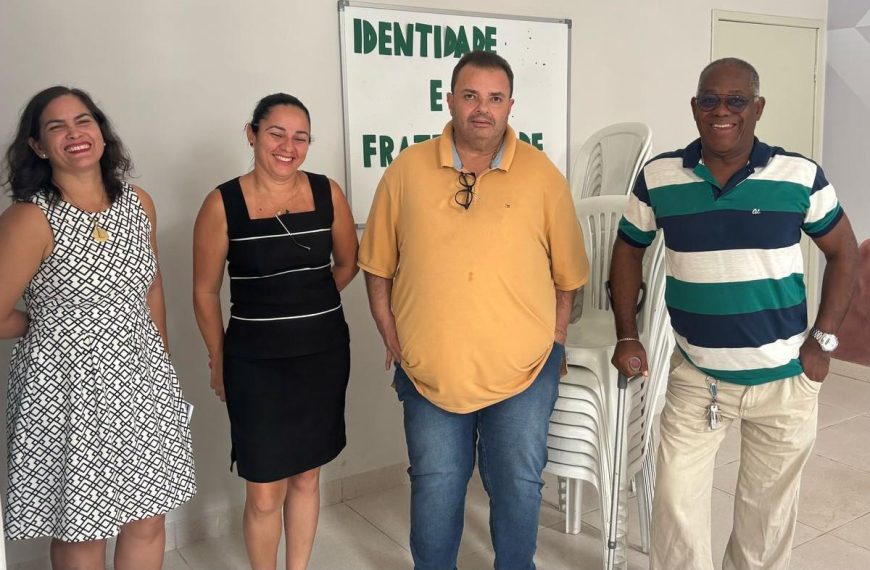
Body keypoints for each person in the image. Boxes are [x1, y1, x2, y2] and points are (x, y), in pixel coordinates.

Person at [610, 58, 859, 570]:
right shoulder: (660, 176)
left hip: (784, 382)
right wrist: (627, 336)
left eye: (736, 100)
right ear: (695, 108)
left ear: (757, 108)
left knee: (764, 521)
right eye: (710, 99)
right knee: (676, 509)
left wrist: (824, 339)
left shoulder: (800, 175)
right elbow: (627, 249)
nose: (722, 111)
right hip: (697, 380)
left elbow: (845, 251)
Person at [359, 50, 588, 569]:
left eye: (494, 98)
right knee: (435, 486)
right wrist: (393, 338)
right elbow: (377, 266)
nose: (482, 109)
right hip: (429, 374)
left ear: (510, 106)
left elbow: (567, 277)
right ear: (450, 101)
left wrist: (553, 345)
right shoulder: (407, 170)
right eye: (470, 96)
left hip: (525, 373)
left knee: (518, 485)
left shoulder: (542, 175)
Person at [0, 86, 196, 569]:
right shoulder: (30, 217)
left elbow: (151, 288)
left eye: (83, 121)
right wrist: (45, 326)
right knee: (82, 529)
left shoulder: (138, 203)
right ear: (38, 147)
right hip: (66, 390)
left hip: (141, 381)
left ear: (102, 134)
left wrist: (162, 371)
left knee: (148, 517)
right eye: (56, 126)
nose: (74, 133)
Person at [192, 93, 358, 570]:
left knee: (307, 478)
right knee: (264, 491)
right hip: (255, 365)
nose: (289, 146)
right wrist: (218, 357)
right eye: (276, 133)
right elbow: (205, 292)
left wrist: (309, 300)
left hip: (322, 356)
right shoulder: (223, 203)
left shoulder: (328, 192)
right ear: (252, 134)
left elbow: (348, 262)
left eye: (300, 136)